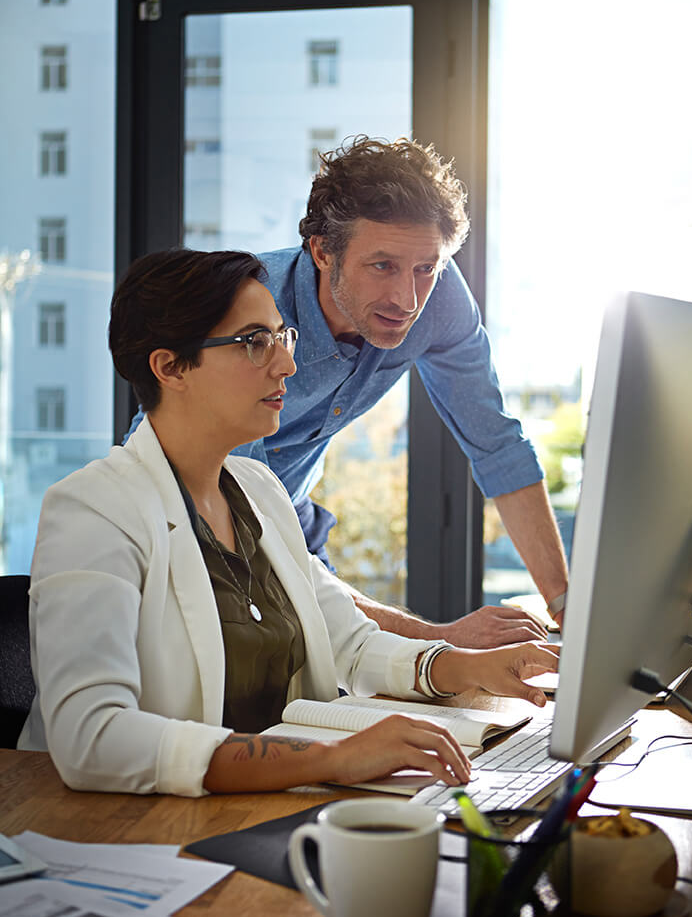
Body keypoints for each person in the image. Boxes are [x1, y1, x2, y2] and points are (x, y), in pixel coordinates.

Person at [18, 249, 559, 797]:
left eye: (284, 338)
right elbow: (92, 736)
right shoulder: (94, 509)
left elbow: (350, 644)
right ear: (170, 367)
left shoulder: (259, 491)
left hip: (263, 807)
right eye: (255, 342)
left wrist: (473, 667)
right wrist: (331, 759)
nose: (287, 365)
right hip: (127, 829)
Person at [127, 136, 569, 645]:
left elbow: (497, 445)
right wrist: (439, 638)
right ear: (322, 251)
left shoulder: (439, 296)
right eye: (382, 266)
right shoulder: (247, 316)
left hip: (292, 528)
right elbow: (246, 511)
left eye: (425, 267)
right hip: (189, 532)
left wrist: (565, 608)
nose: (407, 298)